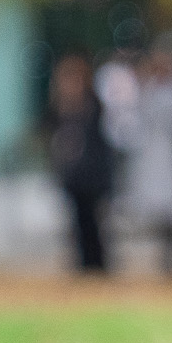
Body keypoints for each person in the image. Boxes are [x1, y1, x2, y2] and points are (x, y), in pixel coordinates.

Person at [121, 36, 172, 279]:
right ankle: (165, 261)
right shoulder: (148, 90)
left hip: (171, 157)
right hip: (153, 158)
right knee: (158, 210)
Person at [45, 53, 112, 274]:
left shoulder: (93, 107)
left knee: (94, 221)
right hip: (72, 175)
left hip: (91, 175)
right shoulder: (60, 108)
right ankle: (83, 264)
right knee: (77, 221)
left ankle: (97, 264)